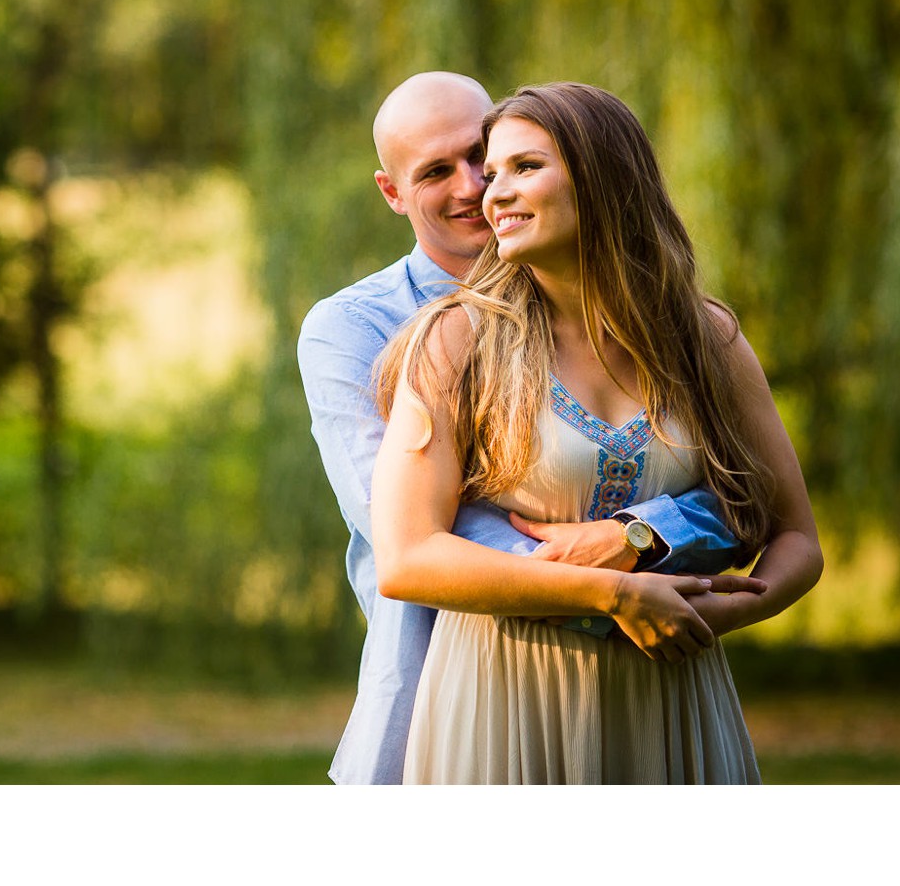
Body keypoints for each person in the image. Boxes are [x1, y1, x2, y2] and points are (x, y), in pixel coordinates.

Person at [298, 71, 765, 786]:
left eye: (485, 160)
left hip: (649, 681)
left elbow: (743, 492)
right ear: (392, 193)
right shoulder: (360, 329)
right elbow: (414, 530)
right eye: (434, 172)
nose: (472, 187)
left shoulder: (660, 324)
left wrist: (648, 534)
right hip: (448, 684)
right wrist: (617, 587)